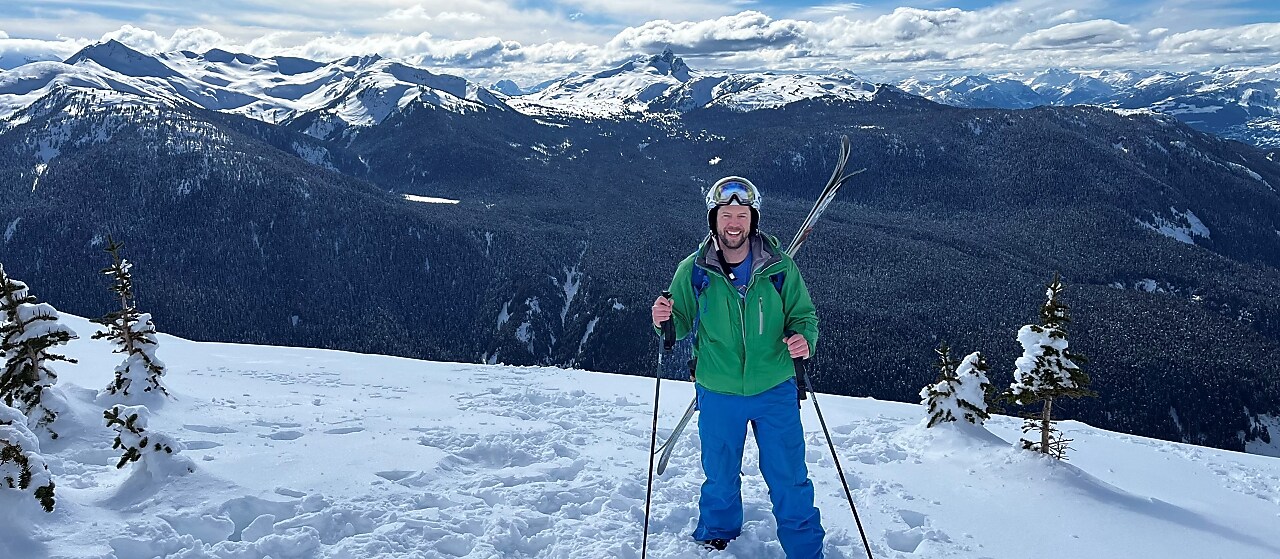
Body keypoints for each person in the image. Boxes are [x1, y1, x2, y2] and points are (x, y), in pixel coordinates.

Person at [650, 176, 825, 557]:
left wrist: (803, 339)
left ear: (753, 219)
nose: (733, 222)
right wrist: (663, 317)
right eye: (726, 214)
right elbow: (678, 323)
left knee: (789, 478)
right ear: (713, 219)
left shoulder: (780, 269)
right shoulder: (694, 271)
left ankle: (805, 549)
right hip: (718, 390)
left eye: (741, 214)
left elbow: (804, 316)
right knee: (720, 474)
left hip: (775, 387)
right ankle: (718, 531)